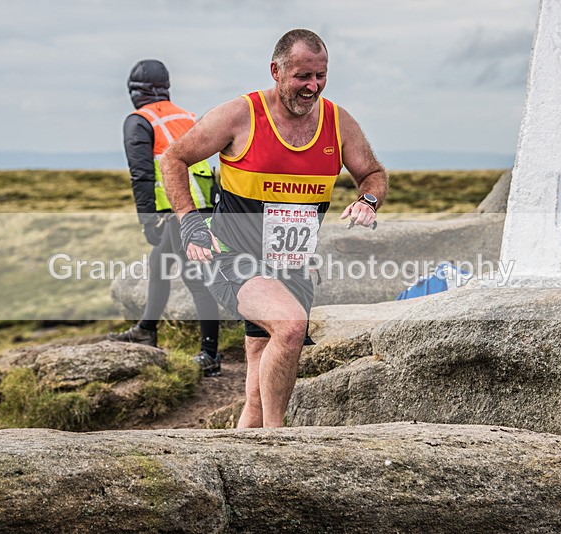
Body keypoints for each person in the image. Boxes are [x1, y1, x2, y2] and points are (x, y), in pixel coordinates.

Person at [161, 29, 388, 427]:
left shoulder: (337, 122)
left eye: (321, 75)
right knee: (290, 326)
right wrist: (190, 223)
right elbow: (173, 158)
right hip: (234, 260)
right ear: (276, 71)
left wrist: (368, 201)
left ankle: (242, 466)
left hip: (291, 269)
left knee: (256, 390)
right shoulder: (241, 115)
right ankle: (278, 444)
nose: (312, 86)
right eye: (303, 76)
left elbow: (372, 173)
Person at [107, 59, 223, 377]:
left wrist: (148, 220)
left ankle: (210, 355)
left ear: (134, 91)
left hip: (176, 211)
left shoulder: (139, 121)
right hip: (202, 205)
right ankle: (147, 328)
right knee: (159, 264)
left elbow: (142, 174)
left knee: (195, 280)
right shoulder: (186, 117)